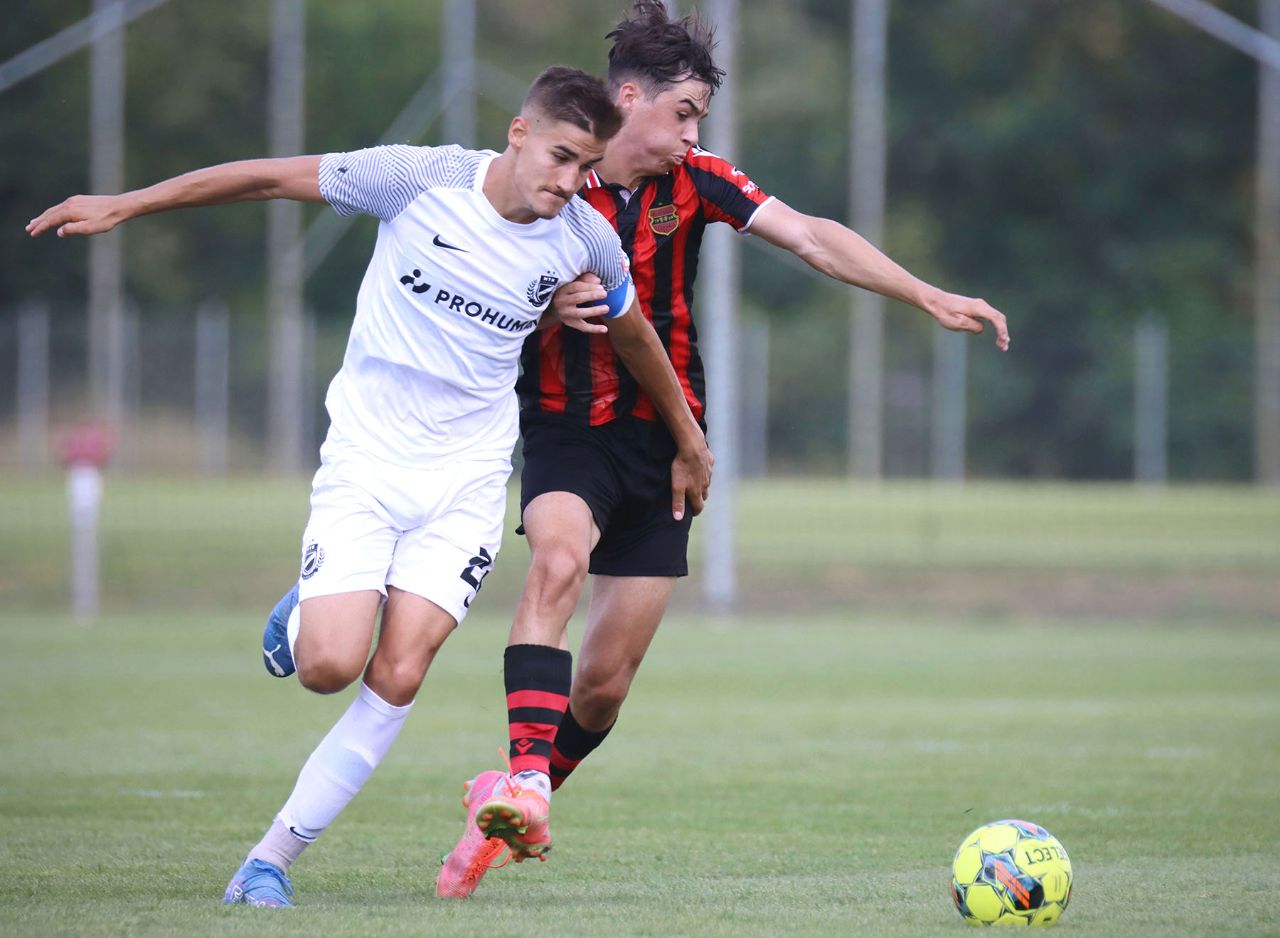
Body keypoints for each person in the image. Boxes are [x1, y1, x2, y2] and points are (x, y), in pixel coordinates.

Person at [27, 65, 712, 907]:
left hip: (465, 482)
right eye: (562, 157)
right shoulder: (416, 179)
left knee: (398, 674)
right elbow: (266, 179)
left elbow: (637, 337)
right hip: (367, 462)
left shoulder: (585, 238)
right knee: (327, 666)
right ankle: (311, 605)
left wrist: (690, 440)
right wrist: (126, 205)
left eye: (588, 167)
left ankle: (268, 862)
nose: (572, 182)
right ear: (519, 133)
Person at [434, 1, 1010, 899]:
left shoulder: (695, 182)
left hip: (668, 446)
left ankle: (501, 806)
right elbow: (464, 274)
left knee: (604, 687)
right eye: (685, 113)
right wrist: (541, 306)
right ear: (630, 99)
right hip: (564, 430)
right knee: (557, 561)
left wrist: (925, 294)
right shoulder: (548, 175)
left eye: (699, 117)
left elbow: (810, 235)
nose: (693, 133)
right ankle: (526, 787)